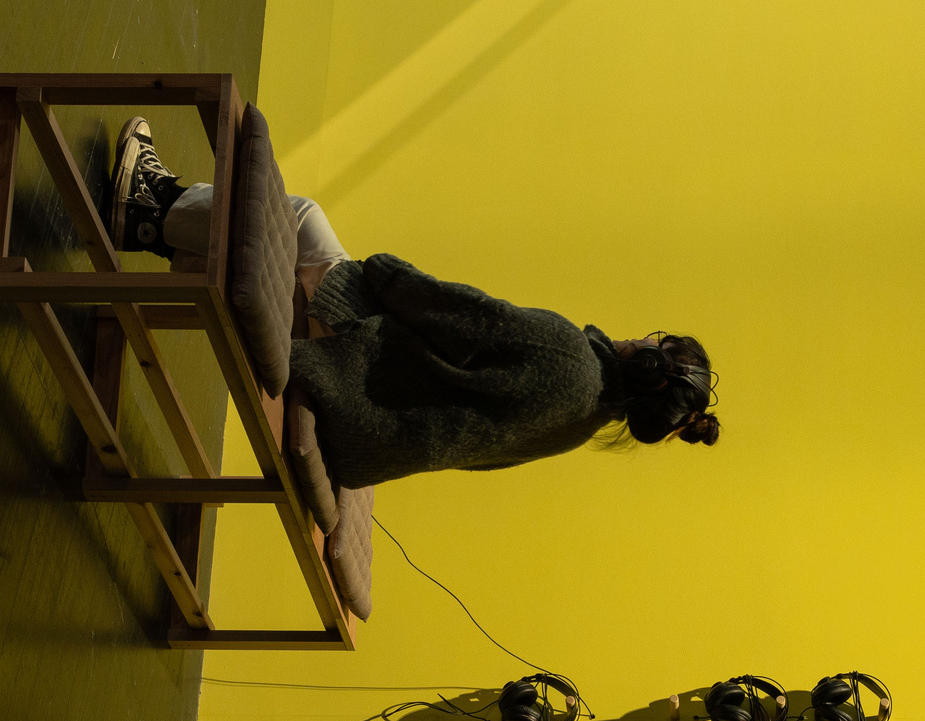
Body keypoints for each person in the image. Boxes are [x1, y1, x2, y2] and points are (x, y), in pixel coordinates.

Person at [109, 118, 718, 493]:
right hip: (367, 444)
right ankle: (155, 223)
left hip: (352, 380)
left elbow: (452, 312)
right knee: (283, 254)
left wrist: (383, 269)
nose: (645, 336)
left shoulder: (570, 356)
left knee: (299, 219)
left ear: (650, 358)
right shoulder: (578, 427)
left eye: (656, 340)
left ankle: (150, 206)